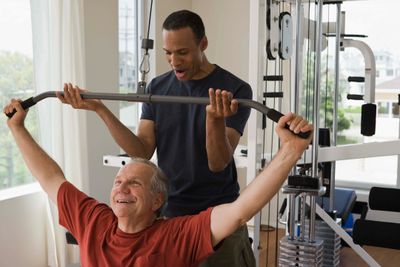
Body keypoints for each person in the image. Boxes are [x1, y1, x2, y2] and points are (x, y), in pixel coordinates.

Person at [4, 98, 312, 267]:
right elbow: (51, 177)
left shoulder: (177, 235)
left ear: (156, 201)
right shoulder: (93, 221)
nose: (121, 187)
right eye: (118, 181)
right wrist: (16, 128)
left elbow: (240, 210)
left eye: (134, 184)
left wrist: (290, 151)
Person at [57, 9, 254, 266]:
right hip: (170, 216)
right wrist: (100, 109)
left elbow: (218, 163)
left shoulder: (234, 89)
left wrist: (214, 119)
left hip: (217, 218)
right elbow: (142, 150)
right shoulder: (157, 88)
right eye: (168, 53)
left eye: (182, 52)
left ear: (203, 43)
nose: (174, 61)